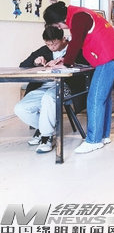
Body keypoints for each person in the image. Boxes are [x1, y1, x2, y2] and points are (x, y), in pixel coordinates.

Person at [43, 1, 114, 154]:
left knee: (94, 98)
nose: (60, 28)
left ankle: (93, 140)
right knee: (103, 98)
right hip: (111, 56)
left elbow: (76, 42)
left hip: (108, 57)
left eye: (58, 26)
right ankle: (103, 136)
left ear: (59, 20)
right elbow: (79, 43)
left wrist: (66, 64)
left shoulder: (78, 17)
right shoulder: (79, 13)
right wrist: (66, 60)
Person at [14, 26, 86, 154]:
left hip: (67, 86)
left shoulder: (75, 48)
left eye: (54, 44)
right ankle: (45, 129)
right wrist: (35, 62)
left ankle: (46, 137)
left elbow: (87, 64)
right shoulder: (44, 50)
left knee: (49, 98)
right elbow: (23, 65)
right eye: (48, 44)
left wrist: (67, 63)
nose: (51, 47)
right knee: (20, 108)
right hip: (43, 86)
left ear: (63, 39)